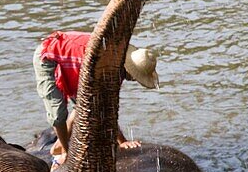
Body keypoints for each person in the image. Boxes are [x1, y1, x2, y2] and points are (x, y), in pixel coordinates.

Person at [33, 30, 159, 165]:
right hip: (48, 54)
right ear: (128, 69)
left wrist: (122, 141)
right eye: (135, 76)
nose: (134, 80)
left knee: (86, 104)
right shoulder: (103, 66)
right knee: (58, 113)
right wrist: (122, 141)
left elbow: (102, 103)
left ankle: (58, 143)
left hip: (75, 55)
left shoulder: (117, 64)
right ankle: (64, 150)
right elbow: (103, 105)